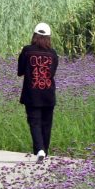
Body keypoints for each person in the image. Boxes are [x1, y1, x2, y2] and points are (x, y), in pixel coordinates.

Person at [17, 22, 59, 164]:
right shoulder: (53, 53)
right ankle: (44, 152)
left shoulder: (27, 51)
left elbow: (20, 71)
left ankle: (40, 150)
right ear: (49, 37)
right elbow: (51, 73)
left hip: (32, 94)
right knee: (47, 124)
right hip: (48, 94)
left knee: (34, 123)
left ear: (34, 35)